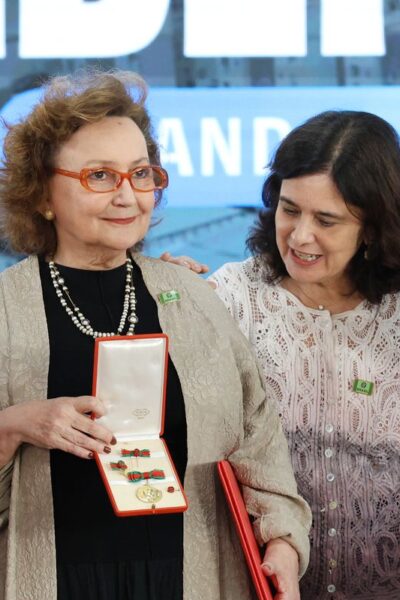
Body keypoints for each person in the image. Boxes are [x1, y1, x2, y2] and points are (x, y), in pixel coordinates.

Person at [0, 69, 311, 600]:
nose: (128, 196)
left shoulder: (193, 296)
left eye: (141, 174)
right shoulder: (8, 307)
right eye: (100, 176)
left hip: (191, 578)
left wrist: (282, 541)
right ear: (43, 193)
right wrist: (15, 425)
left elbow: (257, 438)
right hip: (58, 579)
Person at [165, 110, 400, 599]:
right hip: (258, 585)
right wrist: (164, 302)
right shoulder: (232, 298)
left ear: (373, 227)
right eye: (289, 210)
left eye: (326, 220)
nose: (299, 235)